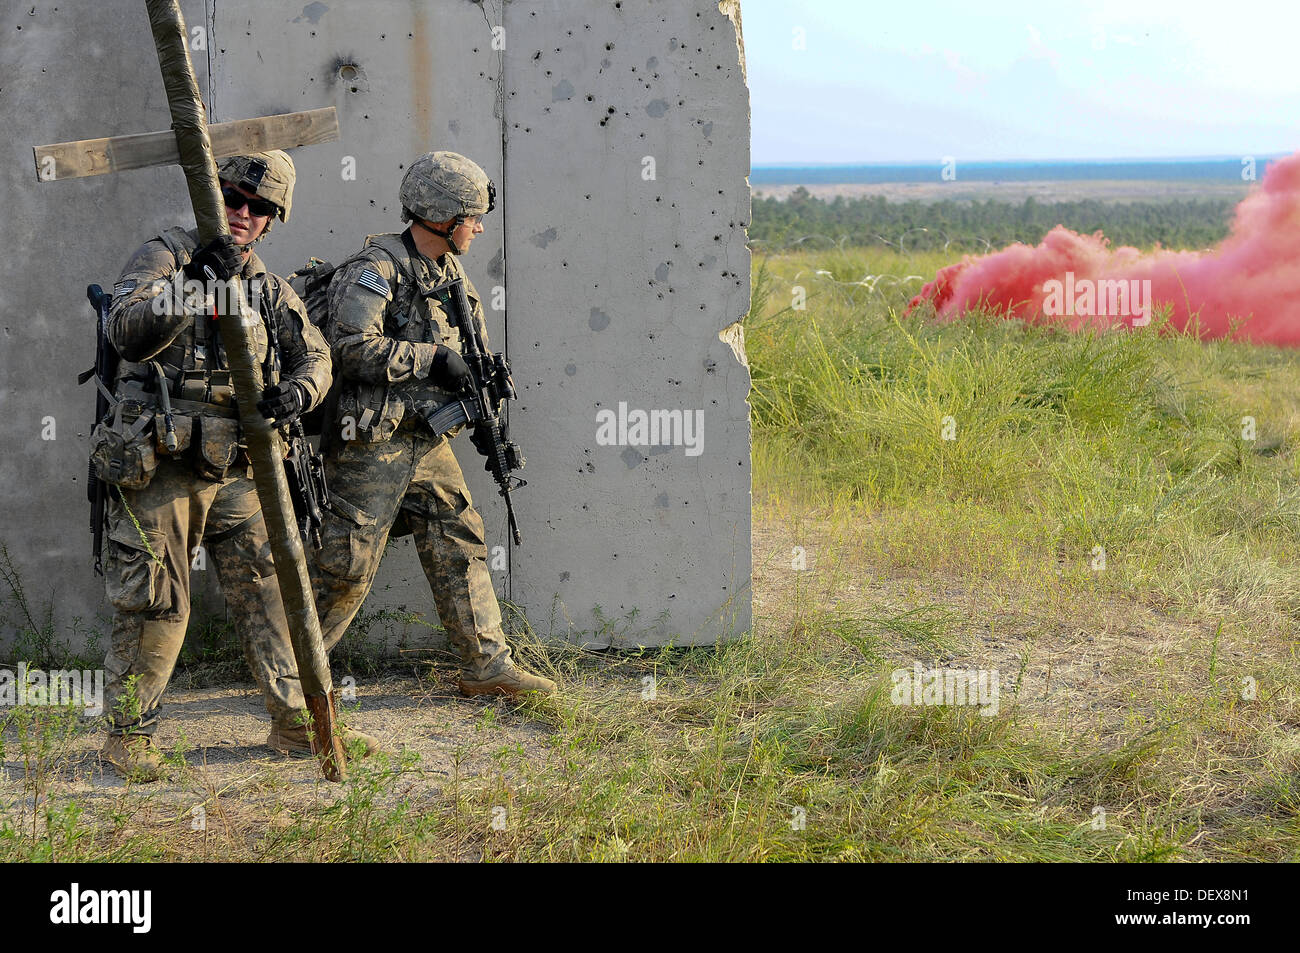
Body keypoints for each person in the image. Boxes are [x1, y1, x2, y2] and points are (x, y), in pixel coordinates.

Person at [94, 150, 359, 780]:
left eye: (259, 208)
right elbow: (125, 332)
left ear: (273, 219)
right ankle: (127, 738)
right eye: (234, 199)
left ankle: (297, 724)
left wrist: (297, 394)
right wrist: (195, 285)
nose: (242, 215)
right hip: (164, 460)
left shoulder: (267, 284)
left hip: (241, 465)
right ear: (213, 196)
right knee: (157, 597)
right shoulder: (168, 255)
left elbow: (315, 355)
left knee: (273, 592)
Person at [310, 151, 556, 697]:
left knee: (458, 533)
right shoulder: (375, 270)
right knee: (347, 562)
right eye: (471, 216)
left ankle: (486, 666)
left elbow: (467, 347)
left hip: (422, 437)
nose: (479, 226)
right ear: (442, 216)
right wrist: (430, 359)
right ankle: (294, 675)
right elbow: (345, 349)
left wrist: (480, 382)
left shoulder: (448, 271)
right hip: (369, 439)